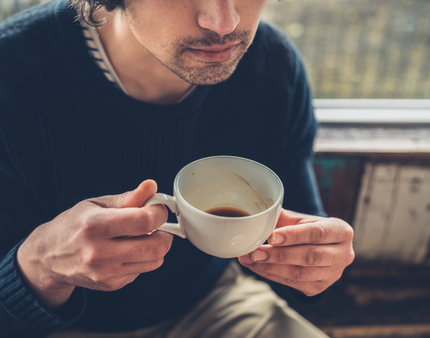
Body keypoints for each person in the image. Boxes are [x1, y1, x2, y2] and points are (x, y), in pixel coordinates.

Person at [0, 0, 355, 337]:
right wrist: (40, 269)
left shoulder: (274, 67)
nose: (224, 23)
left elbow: (303, 252)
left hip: (217, 304)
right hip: (56, 328)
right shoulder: (12, 75)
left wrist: (314, 262)